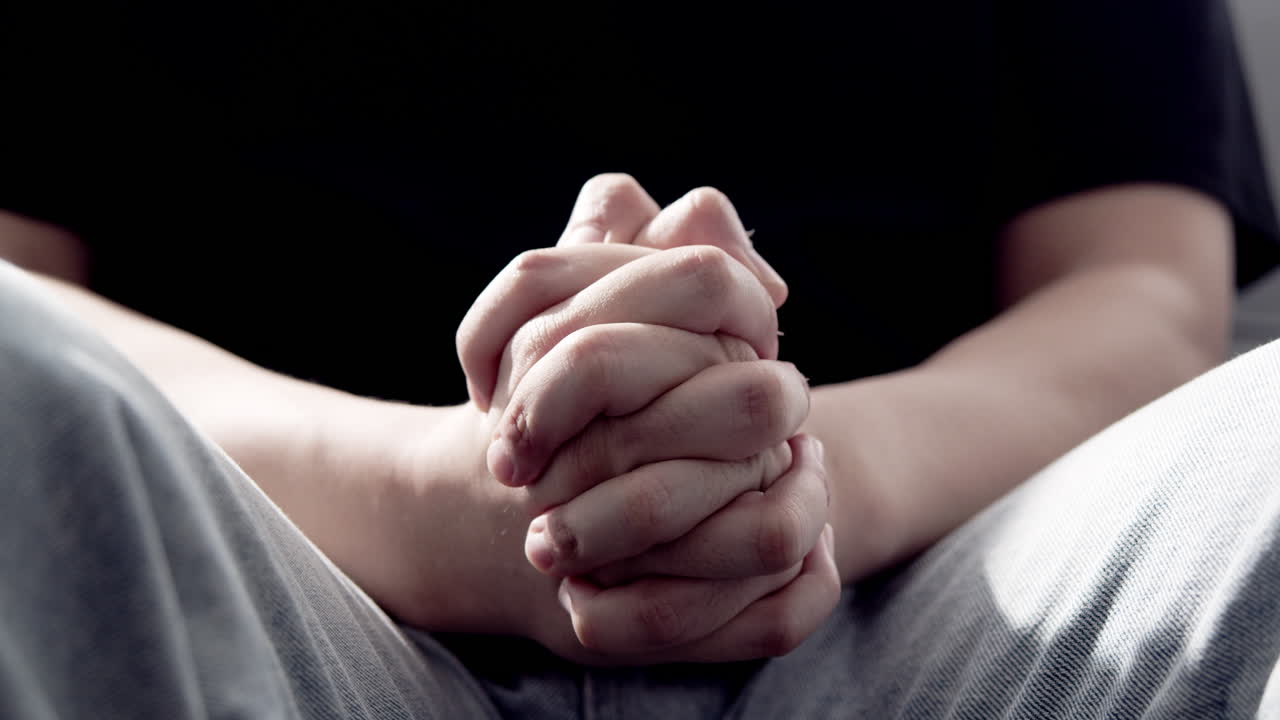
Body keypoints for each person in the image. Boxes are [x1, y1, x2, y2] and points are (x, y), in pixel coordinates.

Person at [2, 1, 1280, 718]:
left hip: (941, 591)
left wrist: (799, 479)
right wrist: (432, 504)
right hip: (277, 592)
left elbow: (1137, 289)